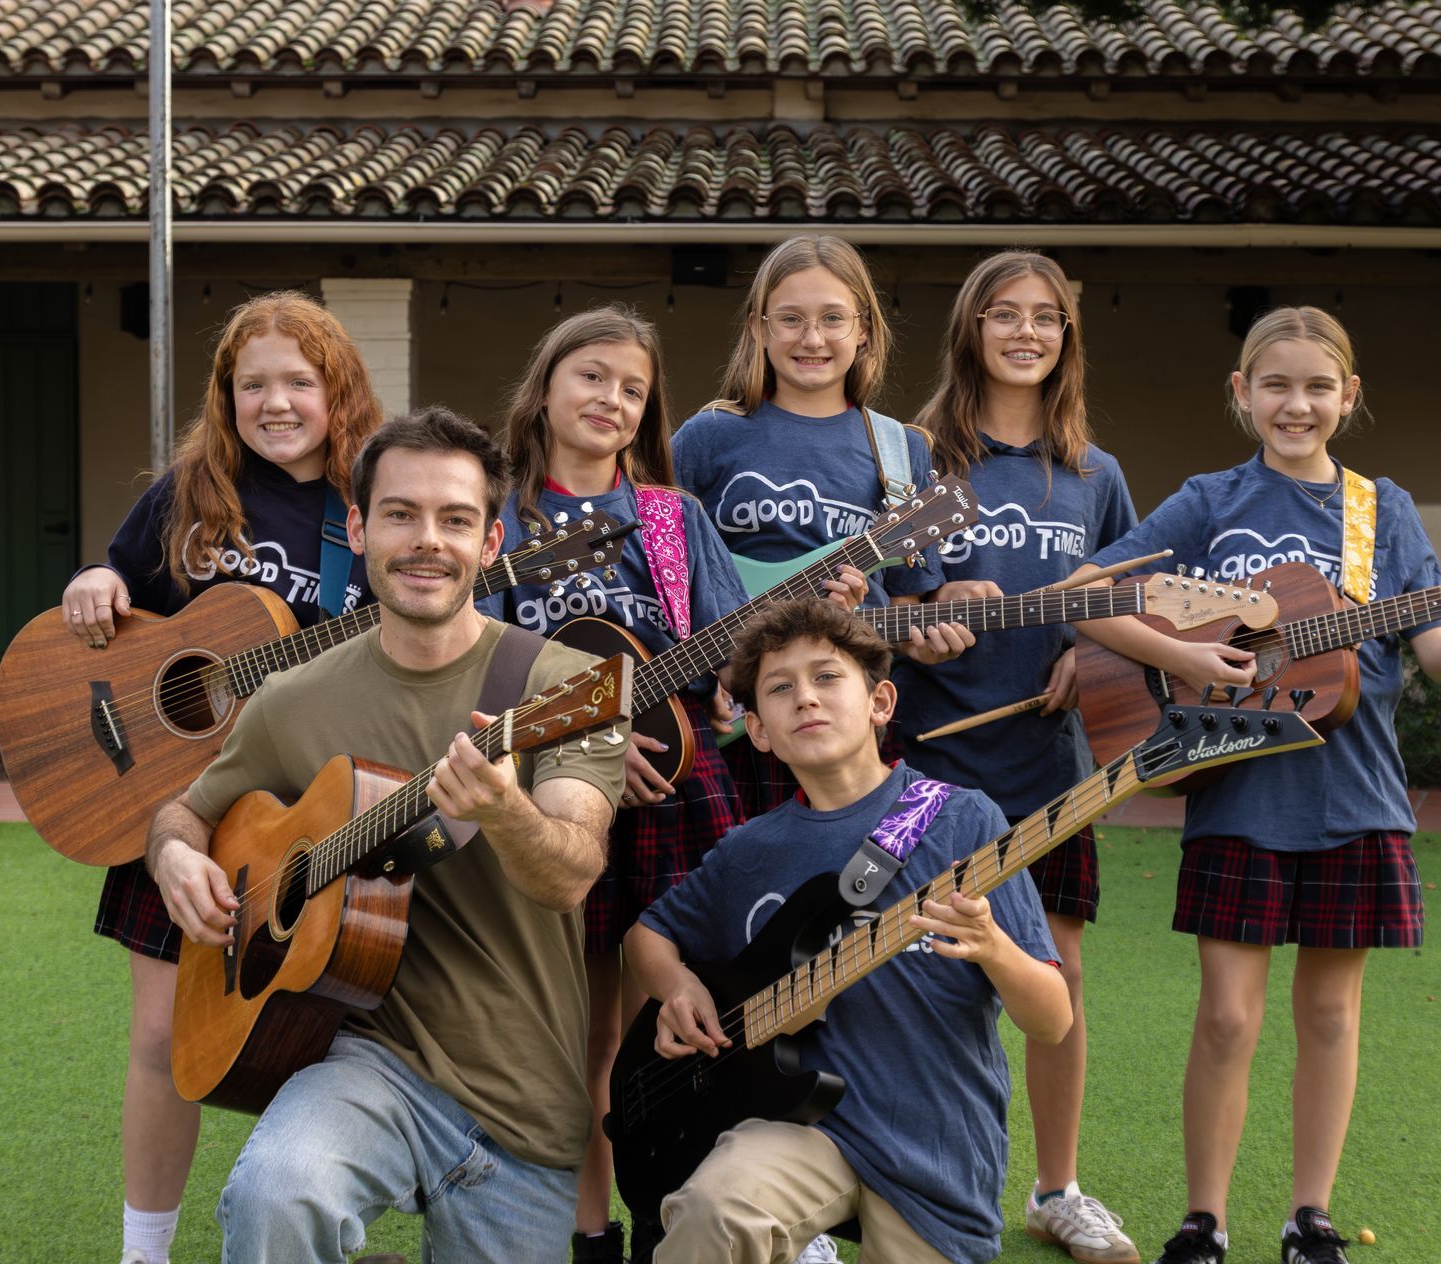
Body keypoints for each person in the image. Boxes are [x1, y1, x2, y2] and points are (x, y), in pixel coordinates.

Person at [1069, 307, 1441, 1264]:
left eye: (1318, 387)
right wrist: (1182, 655)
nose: (1298, 404)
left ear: (1349, 398)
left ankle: (1309, 1217)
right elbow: (1089, 593)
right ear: (1241, 394)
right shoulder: (1210, 501)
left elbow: (1437, 652)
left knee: (1331, 1014)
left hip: (1356, 791)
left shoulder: (1384, 511)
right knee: (1226, 1015)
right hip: (1240, 789)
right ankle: (1203, 1218)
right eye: (1277, 385)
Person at [146, 406, 628, 1263]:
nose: (425, 541)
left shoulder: (565, 686)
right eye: (401, 515)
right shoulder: (295, 696)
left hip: (523, 1099)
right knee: (276, 1189)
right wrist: (177, 855)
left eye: (454, 519)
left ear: (489, 544)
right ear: (362, 528)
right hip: (369, 1061)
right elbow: (185, 810)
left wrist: (503, 811)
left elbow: (571, 873)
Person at [61, 290, 382, 1264]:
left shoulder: (363, 511)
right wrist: (97, 582)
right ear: (226, 394)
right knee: (160, 1040)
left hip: (295, 807)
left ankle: (316, 1218)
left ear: (338, 392)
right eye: (254, 384)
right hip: (173, 798)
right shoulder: (186, 495)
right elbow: (122, 614)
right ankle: (143, 1251)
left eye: (299, 381)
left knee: (310, 1033)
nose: (276, 401)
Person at [626, 599, 1071, 1264]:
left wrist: (994, 948)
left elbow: (1052, 1021)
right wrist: (679, 986)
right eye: (781, 689)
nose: (805, 698)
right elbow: (648, 934)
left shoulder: (962, 823)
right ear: (759, 731)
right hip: (796, 1125)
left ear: (881, 702)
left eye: (828, 677)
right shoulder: (750, 850)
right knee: (713, 1212)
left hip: (936, 1152)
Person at [477, 305, 753, 1264]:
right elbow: (474, 667)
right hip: (555, 802)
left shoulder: (674, 520)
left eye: (633, 389)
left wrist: (734, 690)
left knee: (675, 1028)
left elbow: (727, 664)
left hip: (681, 794)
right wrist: (582, 743)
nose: (612, 398)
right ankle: (589, 1233)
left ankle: (666, 1223)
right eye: (592, 376)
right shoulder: (498, 518)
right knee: (586, 1032)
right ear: (546, 386)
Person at [895, 251, 1140, 1264]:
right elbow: (883, 597)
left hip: (1052, 762)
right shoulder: (913, 455)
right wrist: (933, 604)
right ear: (971, 328)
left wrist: (1090, 651)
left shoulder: (1096, 472)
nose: (1027, 331)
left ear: (1067, 337)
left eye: (1047, 316)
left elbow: (1128, 602)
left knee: (1058, 971)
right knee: (909, 972)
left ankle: (1056, 1187)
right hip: (924, 759)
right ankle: (896, 1179)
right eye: (1006, 314)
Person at [670, 234, 965, 818]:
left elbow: (907, 610)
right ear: (758, 328)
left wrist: (912, 641)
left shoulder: (902, 452)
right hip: (732, 714)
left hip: (846, 719)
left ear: (864, 330)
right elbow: (662, 574)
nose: (812, 339)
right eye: (791, 319)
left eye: (833, 318)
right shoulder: (709, 436)